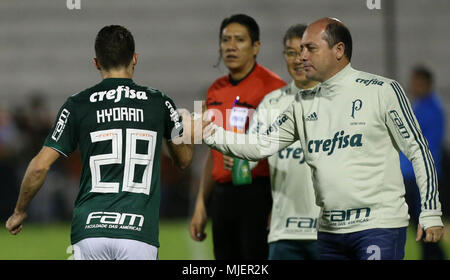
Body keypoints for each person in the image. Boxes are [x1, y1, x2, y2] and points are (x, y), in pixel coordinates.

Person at [200, 18, 444, 260]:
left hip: (378, 226)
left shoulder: (381, 91)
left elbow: (418, 149)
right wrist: (207, 132)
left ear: (338, 50)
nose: (301, 56)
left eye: (310, 48)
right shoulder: (302, 104)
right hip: (329, 233)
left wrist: (431, 210)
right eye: (299, 50)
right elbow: (258, 145)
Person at [5, 25, 194, 260]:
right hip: (138, 232)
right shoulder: (160, 102)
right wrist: (190, 134)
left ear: (96, 62)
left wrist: (19, 211)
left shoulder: (77, 105)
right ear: (135, 59)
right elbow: (184, 160)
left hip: (90, 231)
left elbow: (40, 166)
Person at [189, 14, 286, 260]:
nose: (230, 46)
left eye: (239, 40)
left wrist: (279, 206)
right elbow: (214, 155)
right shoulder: (215, 90)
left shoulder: (274, 88)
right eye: (225, 40)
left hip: (259, 193)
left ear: (256, 47)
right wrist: (202, 203)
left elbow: (285, 153)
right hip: (222, 196)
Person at [400, 65, 446, 259]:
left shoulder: (433, 109)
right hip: (411, 176)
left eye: (417, 82)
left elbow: (426, 146)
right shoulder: (418, 106)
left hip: (421, 178)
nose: (413, 86)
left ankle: (434, 256)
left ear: (427, 83)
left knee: (425, 224)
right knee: (418, 226)